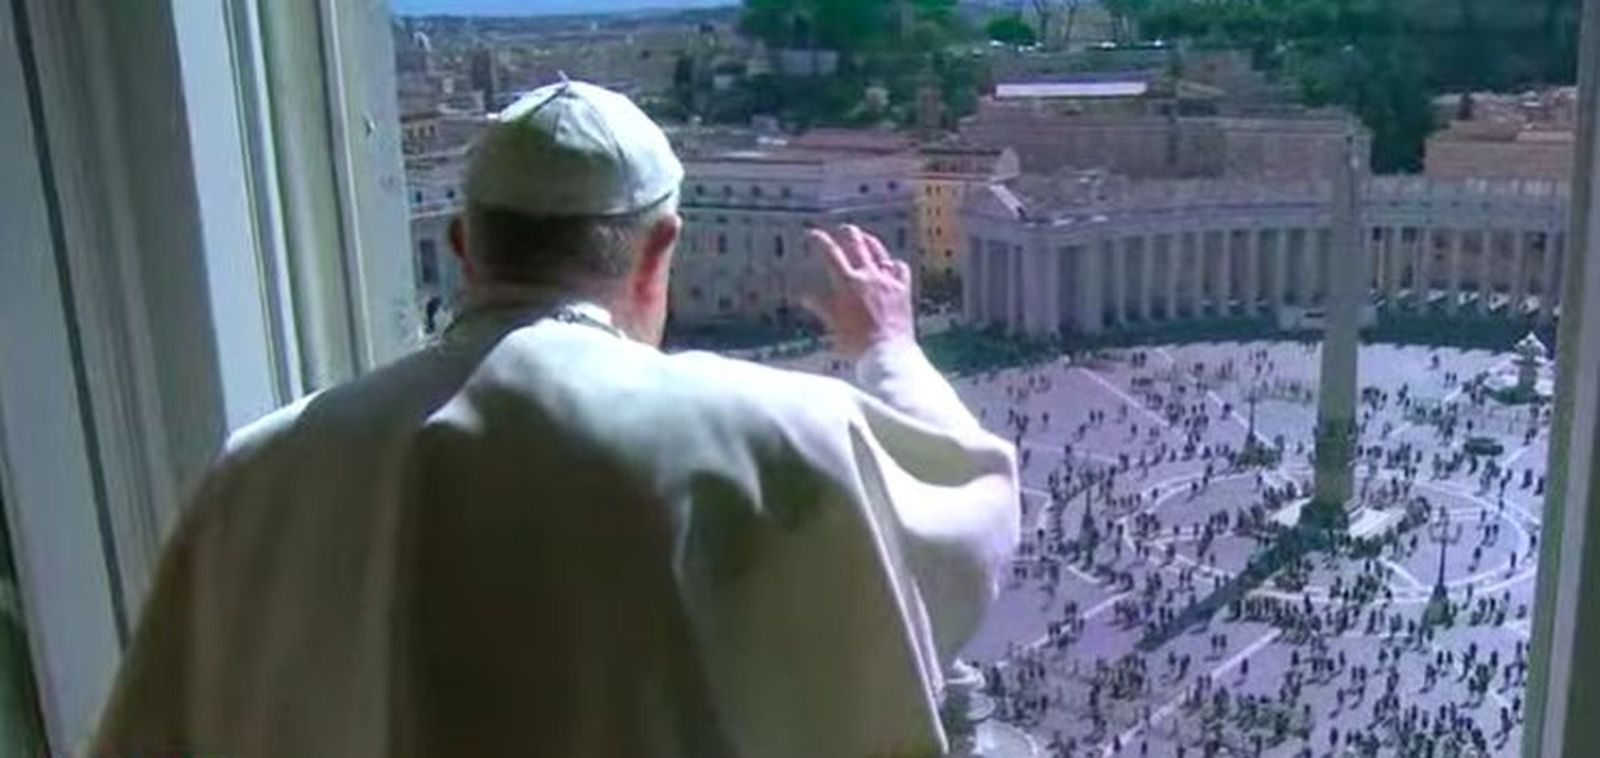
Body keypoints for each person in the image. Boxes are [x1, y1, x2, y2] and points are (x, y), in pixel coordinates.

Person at [90, 81, 1020, 756]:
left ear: (463, 247)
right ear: (661, 252)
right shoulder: (774, 432)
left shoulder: (259, 469)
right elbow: (970, 520)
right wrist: (888, 344)